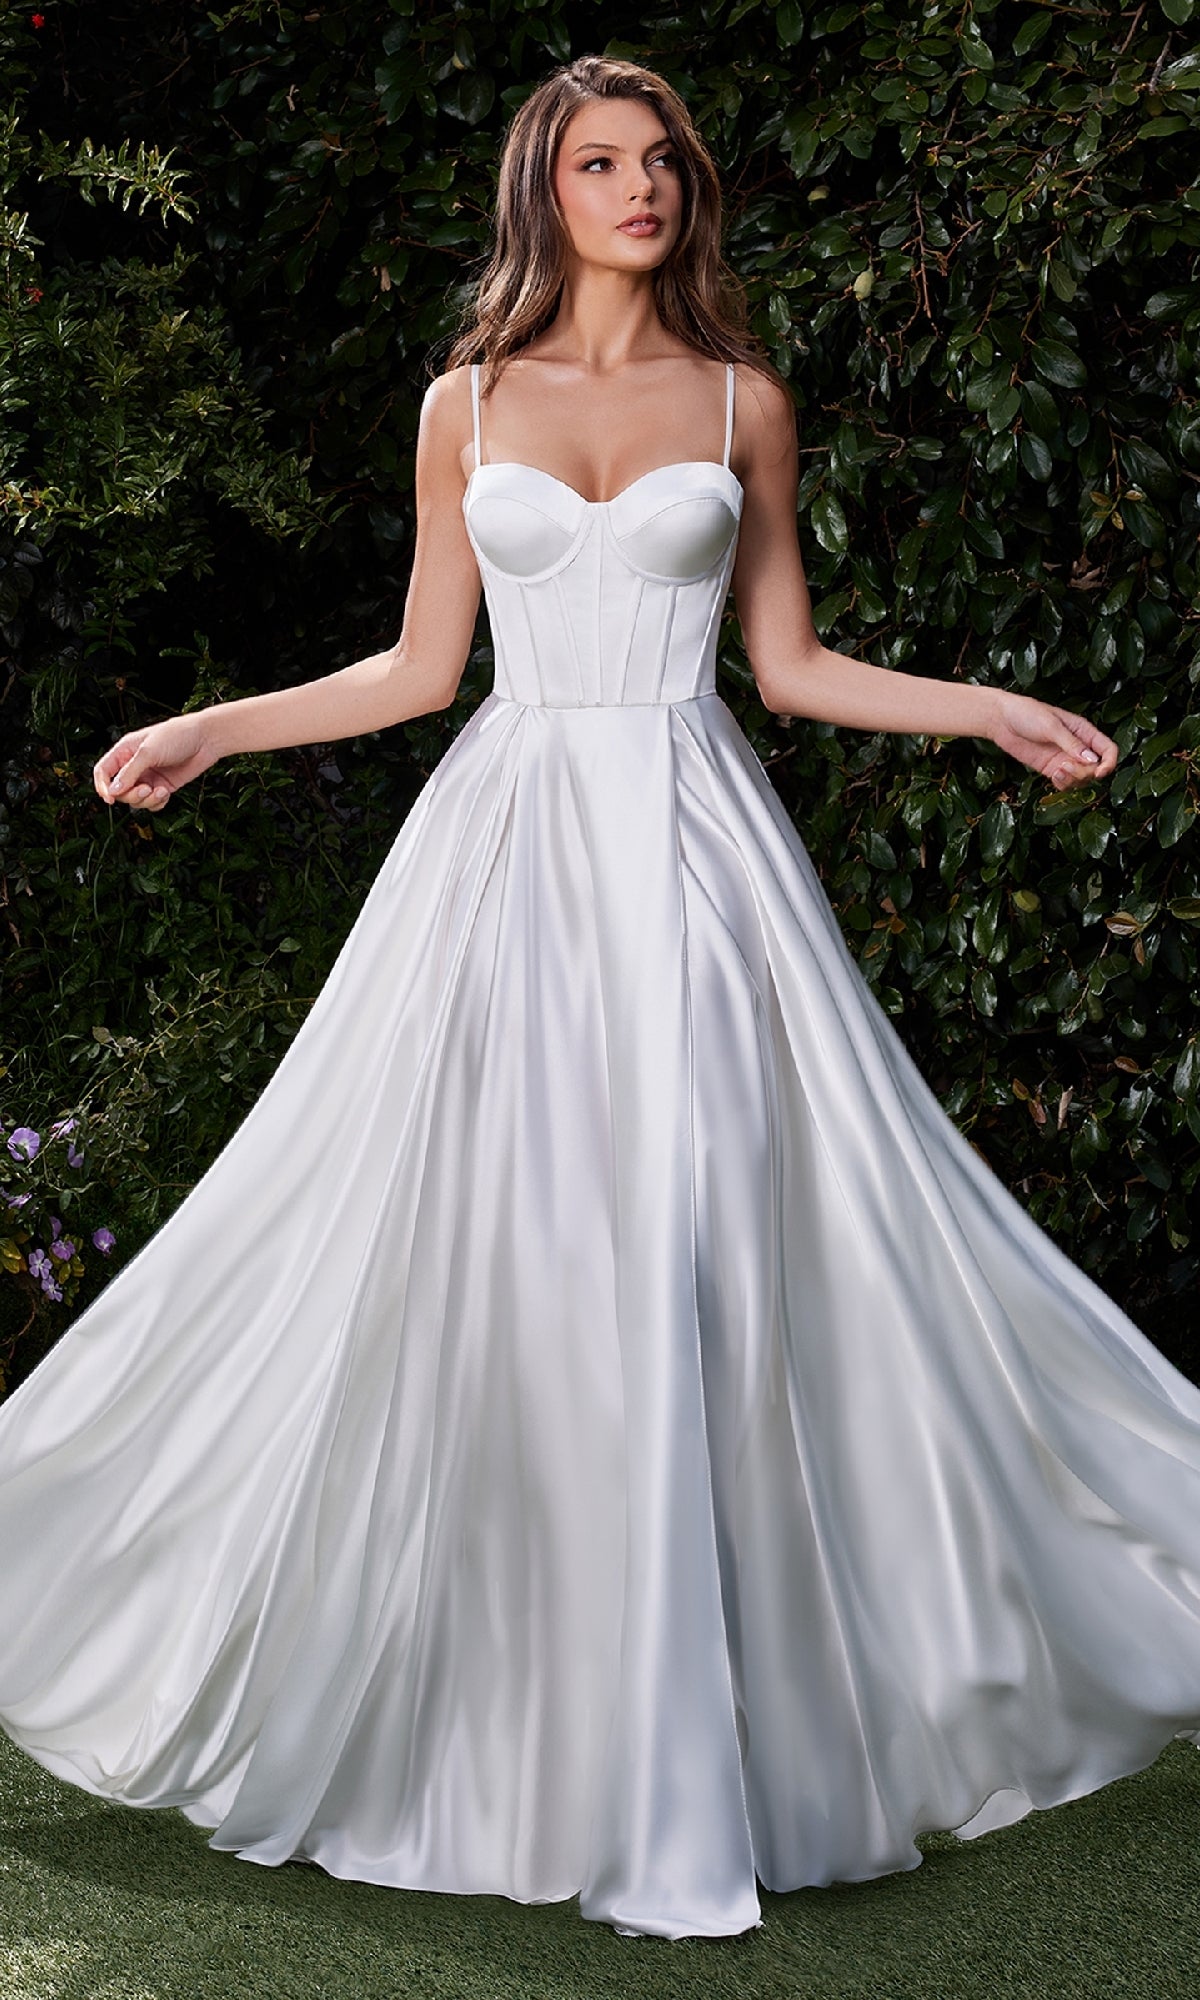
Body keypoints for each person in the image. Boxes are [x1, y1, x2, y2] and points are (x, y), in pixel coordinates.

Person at [1, 52, 1198, 1948]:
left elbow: (789, 665)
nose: (638, 188)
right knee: (504, 1263)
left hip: (705, 870)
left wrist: (979, 705)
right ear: (541, 195)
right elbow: (416, 666)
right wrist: (210, 728)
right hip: (507, 864)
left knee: (706, 1252)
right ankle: (515, 1751)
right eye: (599, 163)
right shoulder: (462, 404)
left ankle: (700, 1765)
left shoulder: (745, 400)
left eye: (660, 162)